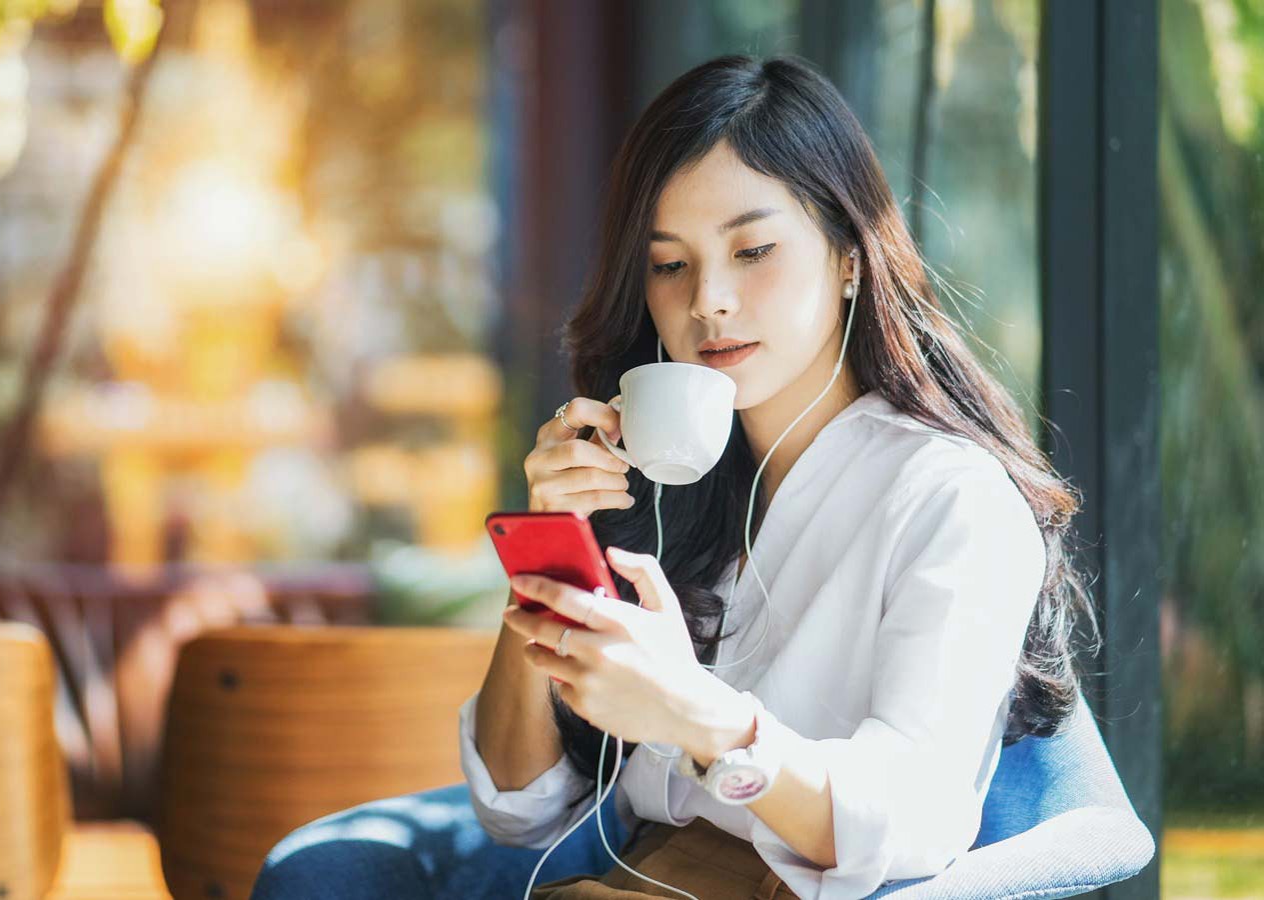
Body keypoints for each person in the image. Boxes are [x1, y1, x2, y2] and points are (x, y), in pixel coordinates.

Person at [252, 53, 1096, 900]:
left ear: (849, 256)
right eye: (669, 265)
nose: (709, 300)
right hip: (640, 872)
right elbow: (519, 808)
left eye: (753, 249)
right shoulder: (672, 490)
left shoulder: (951, 497)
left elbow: (913, 818)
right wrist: (551, 560)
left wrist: (695, 714)